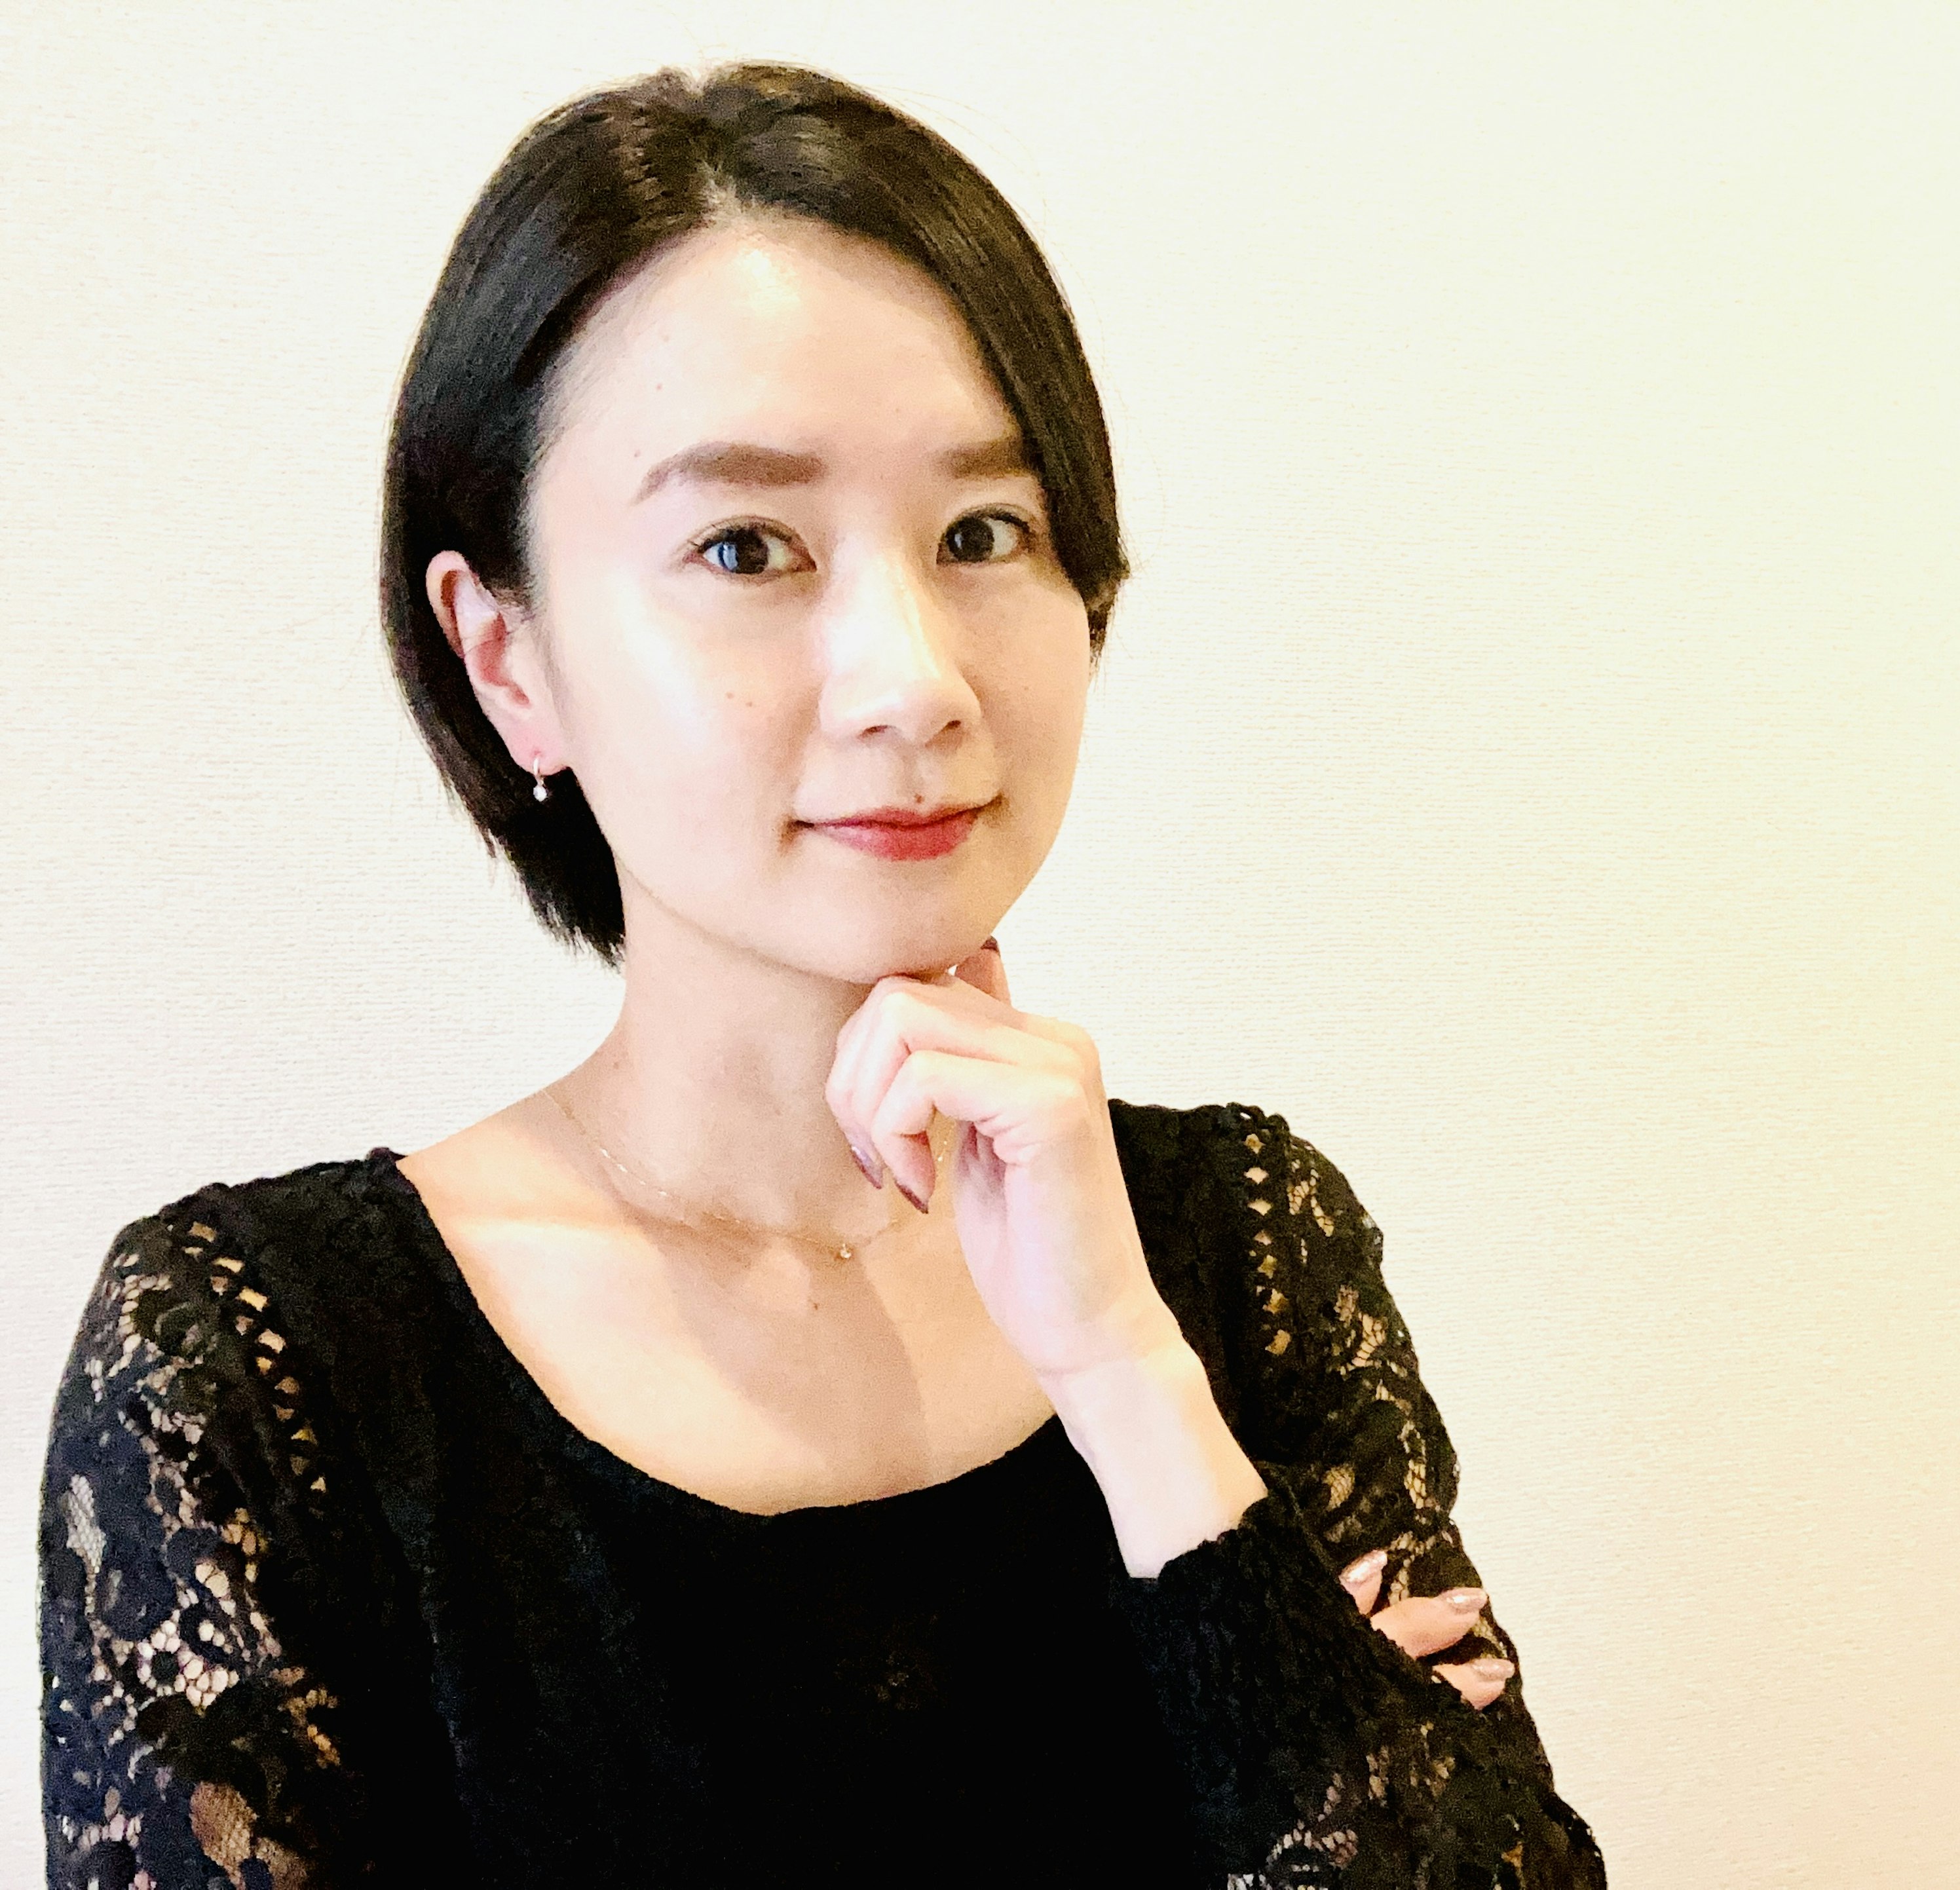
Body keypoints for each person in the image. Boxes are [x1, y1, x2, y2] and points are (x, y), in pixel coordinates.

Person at [36, 61, 1605, 1889]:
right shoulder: (252, 1370)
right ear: (509, 655)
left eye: (982, 534)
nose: (913, 677)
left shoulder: (1239, 1258)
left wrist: (1125, 1375)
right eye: (744, 547)